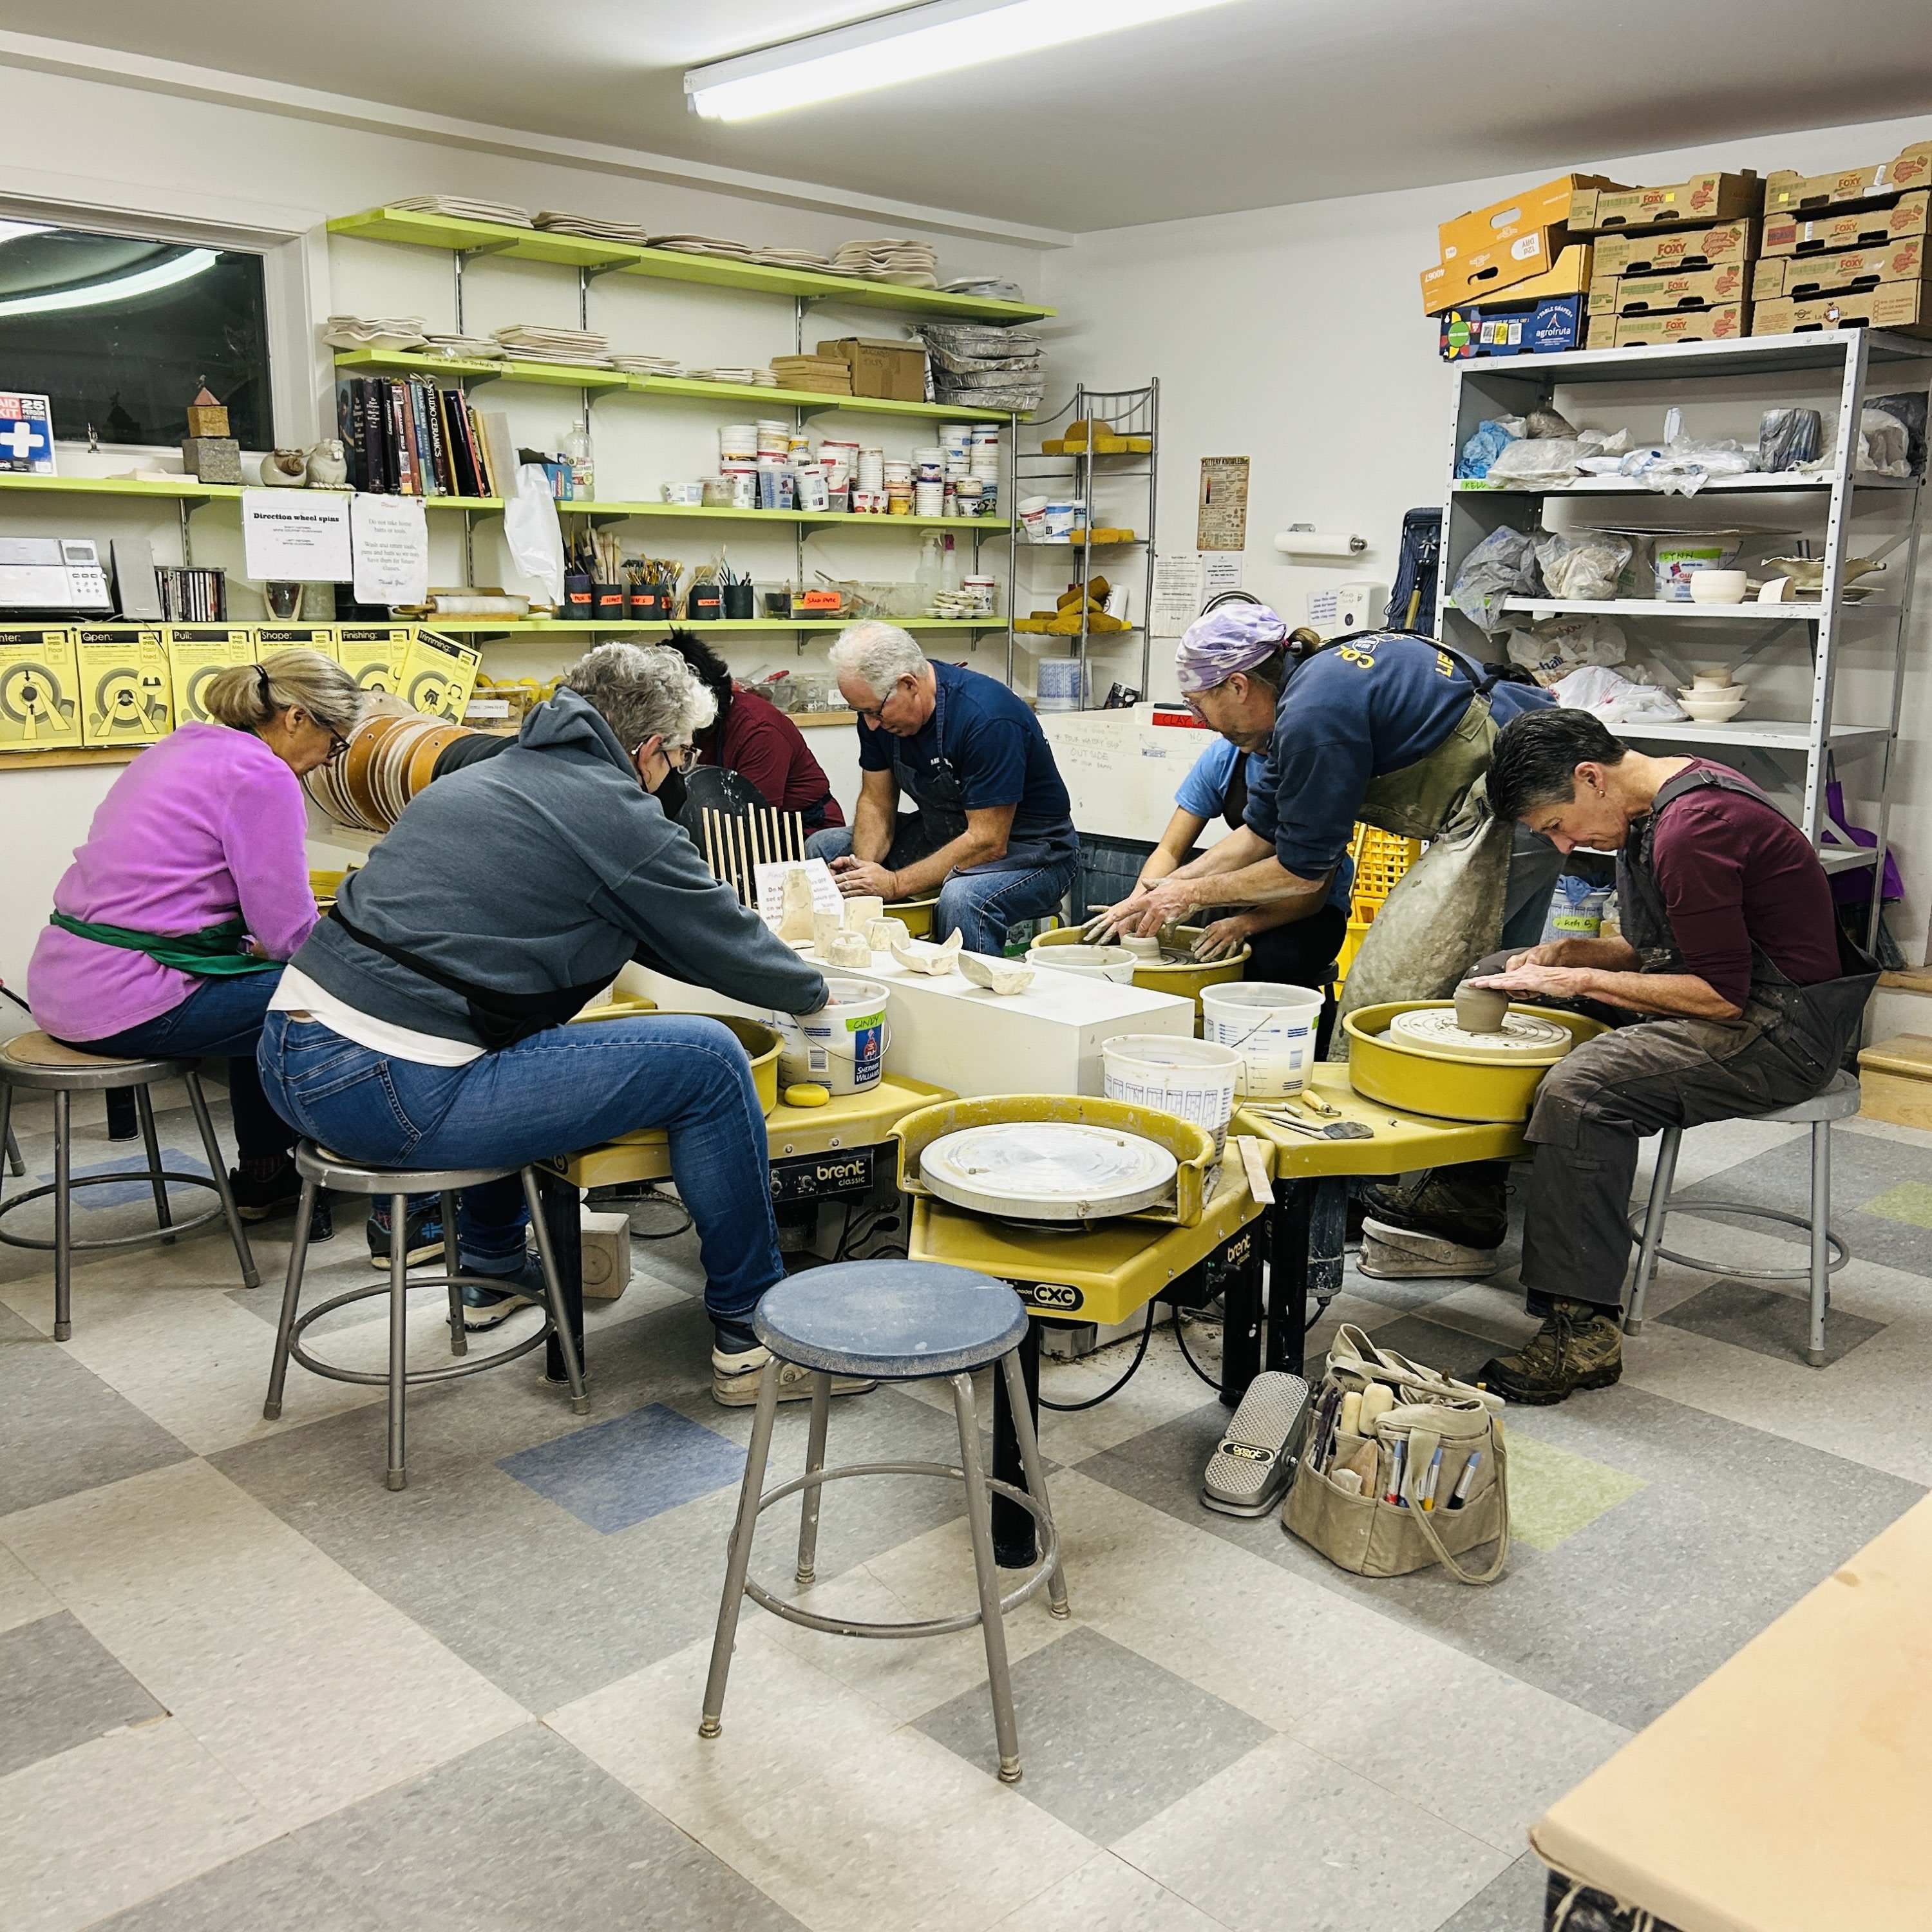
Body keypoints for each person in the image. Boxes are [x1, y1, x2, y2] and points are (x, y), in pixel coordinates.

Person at [256, 643, 863, 1407]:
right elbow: (715, 935)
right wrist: (817, 994)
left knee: (514, 1033)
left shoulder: (491, 772)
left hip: (287, 1055)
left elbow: (645, 928)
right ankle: (753, 1339)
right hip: (385, 1089)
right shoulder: (612, 811)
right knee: (709, 1061)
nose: (680, 770)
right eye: (680, 754)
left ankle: (491, 1271)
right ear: (648, 750)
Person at [1102, 603, 1563, 1276]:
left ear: (1239, 685)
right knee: (1472, 986)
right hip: (1488, 802)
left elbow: (1301, 872)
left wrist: (1187, 896)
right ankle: (1449, 1181)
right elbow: (1260, 834)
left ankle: (1444, 1195)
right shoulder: (1295, 704)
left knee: (1404, 996)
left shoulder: (1315, 710)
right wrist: (1157, 892)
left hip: (1520, 803)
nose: (1200, 720)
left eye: (1199, 703)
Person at [1463, 708, 1875, 1404]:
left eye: (1557, 824)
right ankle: (1464, 1208)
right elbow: (1668, 948)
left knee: (1584, 1091)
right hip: (1734, 993)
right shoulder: (1652, 805)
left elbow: (1720, 993)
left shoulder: (1694, 827)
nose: (1563, 844)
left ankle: (1583, 1333)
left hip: (1783, 1030)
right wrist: (1568, 954)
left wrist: (1582, 980)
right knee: (1492, 974)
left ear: (1590, 777)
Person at [28, 649, 363, 1224]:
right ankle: (389, 1192)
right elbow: (289, 936)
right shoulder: (263, 775)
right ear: (296, 718)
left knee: (264, 993)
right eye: (334, 744)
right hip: (126, 997)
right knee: (337, 998)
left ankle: (266, 1176)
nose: (325, 762)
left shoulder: (181, 746)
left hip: (63, 982)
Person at [806, 621, 1079, 955]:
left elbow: (987, 842)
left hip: (1031, 851)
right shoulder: (878, 717)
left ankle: (964, 989)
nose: (871, 724)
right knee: (825, 848)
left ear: (909, 684)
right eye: (861, 712)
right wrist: (863, 873)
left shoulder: (988, 718)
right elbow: (876, 802)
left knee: (964, 899)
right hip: (941, 833)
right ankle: (861, 965)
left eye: (875, 711)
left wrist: (894, 884)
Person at [1112, 731, 1356, 985]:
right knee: (1111, 932)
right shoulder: (1224, 756)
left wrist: (1244, 924)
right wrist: (1136, 904)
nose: (1200, 721)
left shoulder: (1314, 758)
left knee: (1267, 962)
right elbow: (1169, 850)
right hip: (1230, 892)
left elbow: (1310, 892)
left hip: (1308, 907)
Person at [663, 627, 845, 832]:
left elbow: (752, 821)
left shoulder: (760, 731)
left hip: (801, 830)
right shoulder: (682, 727)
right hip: (729, 824)